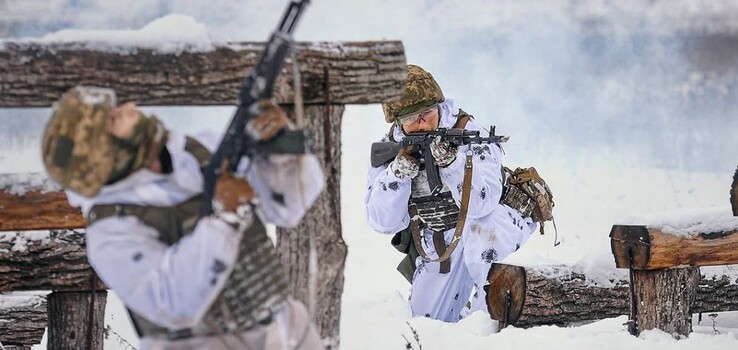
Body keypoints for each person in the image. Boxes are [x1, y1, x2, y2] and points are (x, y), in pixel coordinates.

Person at [41, 86, 325, 350]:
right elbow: (175, 305)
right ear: (106, 153)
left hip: (286, 333)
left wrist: (278, 152)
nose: (129, 107)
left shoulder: (199, 152)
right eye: (114, 118)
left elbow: (289, 207)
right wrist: (225, 219)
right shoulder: (110, 234)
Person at [364, 65, 537, 322]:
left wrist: (453, 165)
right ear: (398, 122)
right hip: (440, 234)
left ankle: (488, 326)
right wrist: (396, 176)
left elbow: (482, 204)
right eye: (412, 119)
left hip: (494, 224)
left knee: (484, 259)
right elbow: (382, 221)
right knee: (425, 322)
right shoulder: (390, 148)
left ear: (438, 106)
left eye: (427, 114)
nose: (422, 124)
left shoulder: (468, 133)